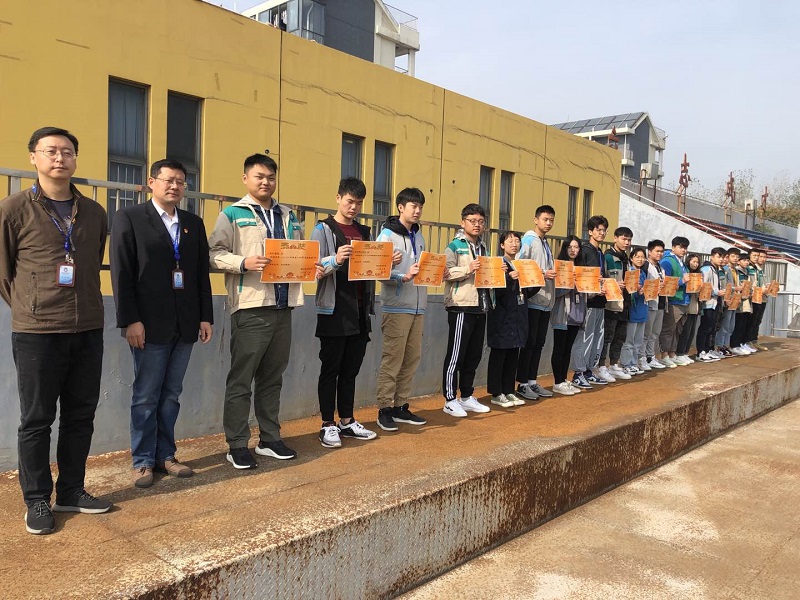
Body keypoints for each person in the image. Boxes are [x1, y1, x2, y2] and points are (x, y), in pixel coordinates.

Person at [0, 127, 112, 534]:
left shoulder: (94, 212)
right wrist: (30, 306)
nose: (59, 158)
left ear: (76, 159)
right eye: (50, 151)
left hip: (87, 328)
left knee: (81, 414)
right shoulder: (13, 209)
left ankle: (71, 490)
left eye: (67, 151)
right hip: (37, 332)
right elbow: (4, 271)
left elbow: (93, 259)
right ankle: (36, 499)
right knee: (37, 418)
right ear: (33, 157)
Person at [111, 159, 213, 488]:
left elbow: (201, 274)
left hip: (185, 323)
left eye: (180, 181)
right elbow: (122, 273)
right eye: (168, 180)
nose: (174, 186)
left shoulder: (193, 223)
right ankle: (142, 460)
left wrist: (205, 316)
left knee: (171, 394)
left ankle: (166, 455)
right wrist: (130, 320)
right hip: (148, 324)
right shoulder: (130, 218)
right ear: (151, 182)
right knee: (146, 395)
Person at [209, 154, 303, 469]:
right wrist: (242, 262)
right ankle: (237, 444)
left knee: (272, 378)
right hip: (251, 306)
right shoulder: (232, 213)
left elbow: (297, 252)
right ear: (245, 178)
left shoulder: (288, 214)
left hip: (283, 305)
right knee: (241, 379)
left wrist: (309, 265)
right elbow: (213, 254)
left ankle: (269, 439)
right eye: (259, 176)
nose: (266, 182)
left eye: (271, 177)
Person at [312, 177, 380, 447]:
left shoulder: (364, 231)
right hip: (334, 308)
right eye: (350, 201)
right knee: (331, 369)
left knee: (351, 369)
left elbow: (373, 266)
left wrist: (387, 261)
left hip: (360, 309)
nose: (354, 207)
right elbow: (314, 267)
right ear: (338, 198)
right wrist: (336, 259)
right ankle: (327, 423)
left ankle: (347, 420)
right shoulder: (323, 229)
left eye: (359, 203)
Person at [374, 188, 428, 431]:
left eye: (420, 207)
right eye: (413, 206)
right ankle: (384, 409)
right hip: (396, 307)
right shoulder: (386, 236)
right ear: (400, 207)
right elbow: (377, 272)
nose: (417, 211)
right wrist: (401, 276)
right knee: (393, 359)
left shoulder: (419, 235)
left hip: (418, 307)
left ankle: (401, 406)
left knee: (411, 359)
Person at [441, 204, 492, 417]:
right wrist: (468, 269)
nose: (477, 225)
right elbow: (444, 272)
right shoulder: (455, 245)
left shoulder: (483, 247)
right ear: (463, 222)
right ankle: (449, 399)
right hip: (461, 305)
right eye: (472, 221)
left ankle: (467, 396)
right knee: (456, 355)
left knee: (474, 355)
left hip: (480, 305)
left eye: (480, 221)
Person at [515, 205, 557, 400]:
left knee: (538, 343)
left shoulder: (545, 242)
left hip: (546, 301)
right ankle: (522, 384)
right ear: (536, 220)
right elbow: (519, 265)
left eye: (551, 220)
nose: (548, 223)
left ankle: (532, 381)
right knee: (529, 343)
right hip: (532, 299)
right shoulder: (529, 240)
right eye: (545, 219)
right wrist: (542, 273)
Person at [487, 231, 528, 406]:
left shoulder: (520, 265)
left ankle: (509, 390)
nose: (514, 244)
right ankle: (496, 393)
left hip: (517, 315)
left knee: (513, 354)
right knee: (499, 353)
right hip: (501, 316)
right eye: (510, 241)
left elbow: (527, 292)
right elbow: (495, 289)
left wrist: (535, 281)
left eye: (517, 241)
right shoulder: (498, 264)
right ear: (502, 245)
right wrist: (508, 278)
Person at [570, 215, 609, 389]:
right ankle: (578, 373)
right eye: (598, 230)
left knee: (597, 338)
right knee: (584, 338)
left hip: (600, 302)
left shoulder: (600, 252)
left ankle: (588, 371)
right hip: (587, 302)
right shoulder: (585, 251)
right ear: (590, 231)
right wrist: (592, 290)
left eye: (604, 230)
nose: (601, 233)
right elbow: (580, 276)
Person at [550, 236, 586, 395]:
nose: (573, 250)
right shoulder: (559, 266)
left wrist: (593, 284)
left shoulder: (581, 267)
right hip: (562, 313)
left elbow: (587, 294)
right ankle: (557, 382)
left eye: (576, 247)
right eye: (570, 247)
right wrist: (569, 283)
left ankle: (564, 379)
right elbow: (555, 292)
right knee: (559, 347)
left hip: (577, 313)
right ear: (565, 249)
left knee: (568, 349)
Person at [598, 227, 634, 382]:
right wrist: (614, 284)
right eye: (624, 239)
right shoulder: (608, 257)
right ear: (615, 238)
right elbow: (602, 279)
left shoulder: (626, 258)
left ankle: (614, 365)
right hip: (611, 304)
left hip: (625, 303)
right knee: (607, 337)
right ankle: (601, 366)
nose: (626, 242)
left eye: (629, 240)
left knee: (620, 337)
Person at [659, 236, 691, 367]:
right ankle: (664, 355)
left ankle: (672, 354)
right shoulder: (667, 261)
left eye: (685, 248)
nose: (684, 250)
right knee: (668, 329)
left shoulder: (680, 261)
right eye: (681, 247)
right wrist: (682, 281)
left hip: (683, 300)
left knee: (677, 330)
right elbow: (666, 282)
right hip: (673, 300)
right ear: (673, 247)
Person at [619, 247, 648, 375]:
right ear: (631, 258)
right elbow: (629, 293)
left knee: (638, 341)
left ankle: (633, 363)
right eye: (637, 257)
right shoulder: (629, 272)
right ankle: (625, 364)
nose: (640, 259)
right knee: (629, 340)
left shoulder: (643, 273)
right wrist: (637, 291)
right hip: (633, 310)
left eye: (642, 257)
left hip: (642, 310)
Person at [696, 247, 726, 362]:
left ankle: (707, 350)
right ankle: (701, 352)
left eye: (722, 257)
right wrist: (715, 292)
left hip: (714, 302)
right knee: (705, 327)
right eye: (718, 257)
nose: (721, 259)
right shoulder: (707, 269)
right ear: (712, 257)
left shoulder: (715, 269)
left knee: (711, 327)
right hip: (707, 303)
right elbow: (703, 285)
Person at [641, 239, 667, 370]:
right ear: (650, 252)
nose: (659, 254)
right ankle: (642, 358)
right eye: (657, 251)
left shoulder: (660, 267)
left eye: (662, 251)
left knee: (655, 333)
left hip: (661, 303)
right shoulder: (646, 266)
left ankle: (650, 356)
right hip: (650, 303)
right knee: (646, 333)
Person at [674, 253, 702, 364]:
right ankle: (680, 352)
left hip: (695, 304)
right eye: (693, 261)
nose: (695, 264)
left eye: (697, 262)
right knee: (685, 330)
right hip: (686, 303)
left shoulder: (699, 274)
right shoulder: (685, 272)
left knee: (691, 331)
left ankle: (685, 352)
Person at [715, 247, 740, 357]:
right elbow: (726, 286)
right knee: (724, 325)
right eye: (733, 256)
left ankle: (726, 345)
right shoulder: (724, 270)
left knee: (730, 325)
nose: (735, 259)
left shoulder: (734, 270)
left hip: (734, 300)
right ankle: (720, 346)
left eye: (737, 257)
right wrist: (729, 295)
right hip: (726, 300)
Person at [730, 254, 755, 355]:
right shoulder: (737, 271)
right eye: (744, 260)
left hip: (747, 300)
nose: (746, 262)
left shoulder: (747, 271)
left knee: (744, 323)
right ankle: (734, 345)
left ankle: (741, 343)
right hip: (739, 300)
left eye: (747, 260)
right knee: (738, 324)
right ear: (739, 261)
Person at [746, 248, 768, 351]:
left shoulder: (758, 269)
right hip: (753, 298)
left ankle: (754, 341)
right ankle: (748, 341)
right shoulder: (748, 268)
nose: (761, 259)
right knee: (751, 321)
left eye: (764, 257)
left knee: (757, 320)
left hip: (761, 297)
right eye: (759, 256)